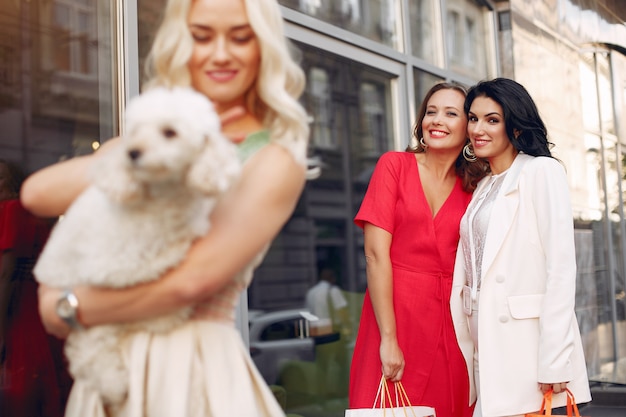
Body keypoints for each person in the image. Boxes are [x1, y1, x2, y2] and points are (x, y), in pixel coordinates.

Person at [20, 0, 309, 416]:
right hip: (108, 367)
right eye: (202, 36)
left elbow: (188, 284)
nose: (221, 53)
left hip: (186, 363)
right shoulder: (152, 136)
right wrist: (158, 145)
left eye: (241, 37)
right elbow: (37, 193)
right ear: (181, 42)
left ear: (263, 47)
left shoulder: (274, 158)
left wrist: (66, 307)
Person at [450, 78, 591, 417]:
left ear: (514, 127)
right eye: (473, 118)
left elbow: (560, 269)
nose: (478, 129)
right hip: (487, 347)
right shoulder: (483, 186)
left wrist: (554, 360)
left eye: (492, 119)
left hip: (528, 352)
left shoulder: (541, 171)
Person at [349, 82, 488, 417]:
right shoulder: (394, 166)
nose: (436, 120)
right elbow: (375, 255)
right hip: (394, 316)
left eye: (450, 113)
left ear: (468, 126)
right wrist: (389, 339)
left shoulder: (476, 188)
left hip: (452, 328)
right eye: (431, 111)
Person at [0, 159, 71, 417]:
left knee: (20, 391)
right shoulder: (27, 214)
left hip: (17, 309)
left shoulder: (12, 209)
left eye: (1, 178)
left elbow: (6, 272)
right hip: (31, 306)